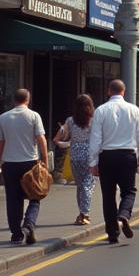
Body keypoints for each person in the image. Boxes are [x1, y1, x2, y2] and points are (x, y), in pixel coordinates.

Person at [87, 79, 139, 244]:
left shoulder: (100, 110)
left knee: (108, 195)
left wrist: (93, 163)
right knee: (129, 191)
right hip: (128, 155)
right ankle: (124, 214)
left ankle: (112, 233)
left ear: (109, 91)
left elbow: (95, 139)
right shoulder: (134, 110)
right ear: (124, 91)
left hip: (107, 156)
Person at [0, 88, 49, 245]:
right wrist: (44, 161)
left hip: (9, 164)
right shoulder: (33, 116)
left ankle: (16, 234)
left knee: (13, 199)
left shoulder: (3, 117)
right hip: (30, 164)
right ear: (28, 100)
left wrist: (0, 160)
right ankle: (29, 225)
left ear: (14, 100)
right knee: (35, 196)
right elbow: (41, 140)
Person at [53, 93, 96, 226]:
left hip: (75, 155)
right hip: (89, 155)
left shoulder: (70, 121)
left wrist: (68, 143)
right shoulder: (93, 120)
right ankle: (85, 213)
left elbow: (56, 139)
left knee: (80, 185)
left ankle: (81, 213)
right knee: (88, 185)